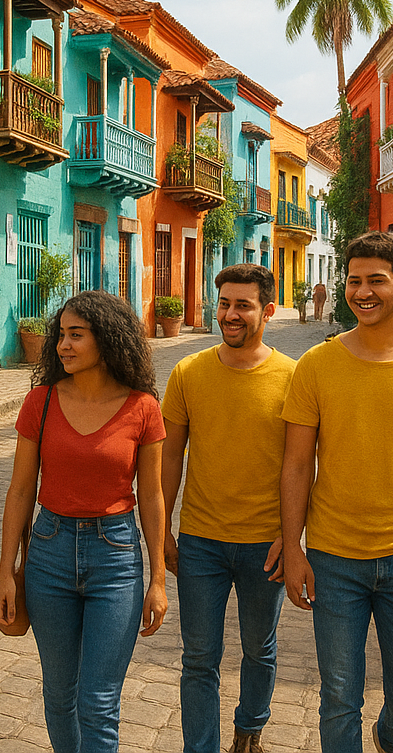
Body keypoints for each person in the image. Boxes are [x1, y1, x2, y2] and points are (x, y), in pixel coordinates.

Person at [279, 230, 393, 753]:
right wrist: (292, 546)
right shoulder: (317, 365)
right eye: (354, 281)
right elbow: (296, 464)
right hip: (334, 558)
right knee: (340, 697)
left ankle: (390, 741)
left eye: (376, 281)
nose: (362, 292)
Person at [0, 290, 167, 753]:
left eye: (76, 336)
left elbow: (151, 495)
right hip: (49, 554)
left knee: (99, 700)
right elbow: (20, 491)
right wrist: (6, 573)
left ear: (107, 340)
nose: (62, 346)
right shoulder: (41, 402)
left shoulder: (143, 407)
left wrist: (158, 579)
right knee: (59, 693)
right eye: (61, 336)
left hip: (116, 559)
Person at [162, 264, 295, 753]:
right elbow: (169, 457)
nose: (231, 315)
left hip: (267, 543)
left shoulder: (294, 377)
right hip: (201, 542)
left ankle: (249, 731)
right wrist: (162, 532)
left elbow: (304, 466)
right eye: (224, 304)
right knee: (199, 656)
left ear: (268, 310)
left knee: (260, 650)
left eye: (243, 305)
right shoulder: (188, 372)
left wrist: (291, 534)